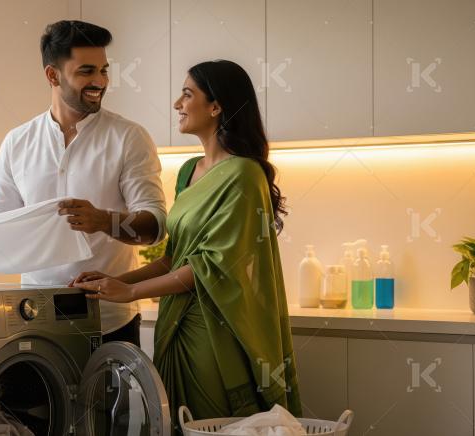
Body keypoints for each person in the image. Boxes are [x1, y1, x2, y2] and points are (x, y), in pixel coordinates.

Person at [0, 20, 167, 346]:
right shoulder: (18, 142)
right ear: (52, 75)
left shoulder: (129, 138)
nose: (99, 81)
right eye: (86, 71)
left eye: (104, 71)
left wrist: (102, 220)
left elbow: (154, 227)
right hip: (34, 318)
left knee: (105, 400)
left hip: (109, 320)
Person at [72, 60, 302, 429]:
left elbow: (209, 267)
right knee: (175, 421)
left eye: (187, 94)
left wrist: (128, 294)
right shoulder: (188, 171)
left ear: (216, 106)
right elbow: (173, 259)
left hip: (212, 331)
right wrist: (118, 280)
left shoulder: (244, 175)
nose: (177, 104)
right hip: (174, 324)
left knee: (208, 423)